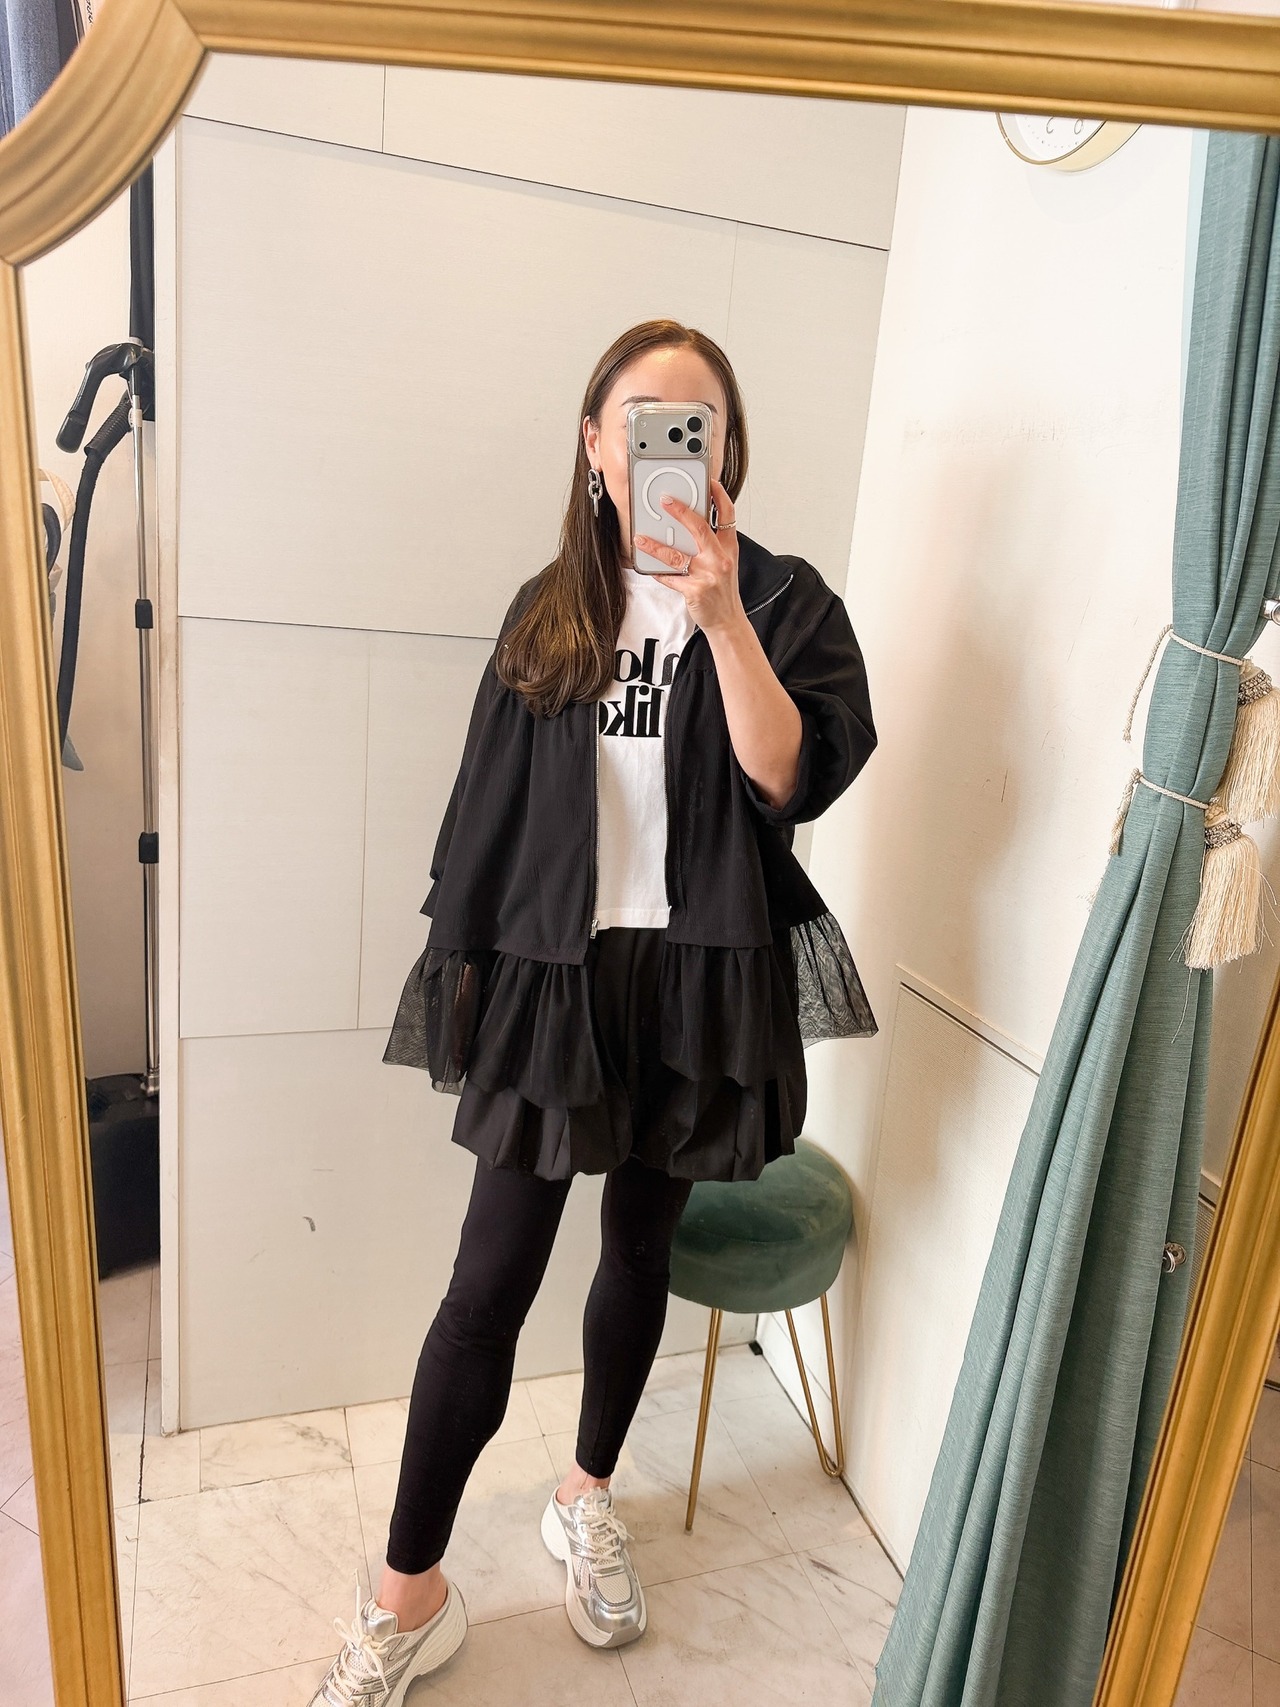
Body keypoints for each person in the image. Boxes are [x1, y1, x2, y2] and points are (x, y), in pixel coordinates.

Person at [309, 319, 878, 1706]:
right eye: (641, 419)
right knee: (485, 1288)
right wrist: (468, 977)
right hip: (557, 979)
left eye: (696, 424)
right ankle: (408, 1595)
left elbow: (789, 780)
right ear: (594, 445)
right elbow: (486, 810)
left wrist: (722, 615)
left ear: (727, 451)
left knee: (638, 1249)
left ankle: (586, 1494)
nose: (668, 443)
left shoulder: (785, 601)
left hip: (698, 980)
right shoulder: (548, 609)